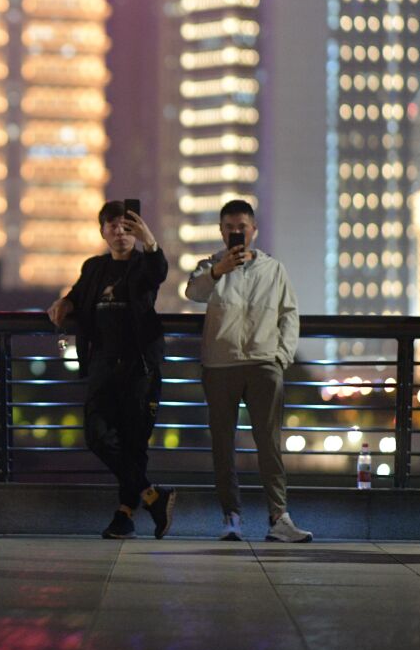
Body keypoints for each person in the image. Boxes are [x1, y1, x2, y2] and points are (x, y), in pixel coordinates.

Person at [186, 199, 312, 543]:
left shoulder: (274, 269)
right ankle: (232, 517)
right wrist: (218, 270)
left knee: (268, 444)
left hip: (263, 365)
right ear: (221, 231)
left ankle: (279, 517)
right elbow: (193, 293)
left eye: (242, 226)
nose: (236, 232)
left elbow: (290, 314)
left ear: (253, 230)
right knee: (223, 445)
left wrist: (280, 358)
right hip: (219, 365)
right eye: (229, 227)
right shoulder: (208, 266)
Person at [49, 201, 177, 540]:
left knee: (134, 443)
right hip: (103, 365)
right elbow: (78, 294)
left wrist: (149, 240)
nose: (120, 232)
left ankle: (124, 514)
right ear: (102, 231)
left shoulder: (143, 264)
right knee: (96, 435)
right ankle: (152, 496)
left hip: (139, 366)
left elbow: (159, 271)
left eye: (126, 226)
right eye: (113, 227)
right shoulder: (94, 267)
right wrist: (65, 302)